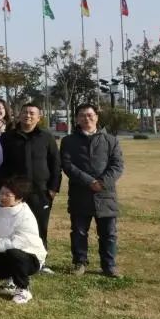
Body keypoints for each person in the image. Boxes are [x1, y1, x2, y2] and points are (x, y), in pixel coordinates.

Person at [0, 102, 61, 273]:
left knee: (39, 227)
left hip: (40, 192)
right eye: (25, 112)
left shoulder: (46, 137)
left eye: (32, 113)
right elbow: (0, 165)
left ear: (39, 117)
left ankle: (40, 262)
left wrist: (53, 189)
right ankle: (13, 263)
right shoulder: (7, 138)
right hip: (14, 194)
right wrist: (1, 188)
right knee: (12, 228)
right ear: (19, 115)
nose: (28, 116)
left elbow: (55, 164)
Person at [60, 103, 124, 277]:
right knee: (79, 232)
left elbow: (117, 166)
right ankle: (79, 262)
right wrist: (89, 181)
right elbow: (67, 165)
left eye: (90, 115)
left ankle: (109, 265)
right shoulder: (68, 141)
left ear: (96, 117)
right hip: (80, 193)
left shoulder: (111, 140)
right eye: (82, 115)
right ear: (77, 119)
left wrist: (102, 182)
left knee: (108, 233)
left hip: (106, 194)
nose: (86, 118)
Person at [0, 176, 47, 304]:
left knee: (14, 253)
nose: (2, 197)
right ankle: (11, 277)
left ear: (19, 198)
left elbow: (15, 243)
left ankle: (23, 289)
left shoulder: (25, 216)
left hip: (29, 257)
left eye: (7, 195)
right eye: (1, 193)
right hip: (0, 252)